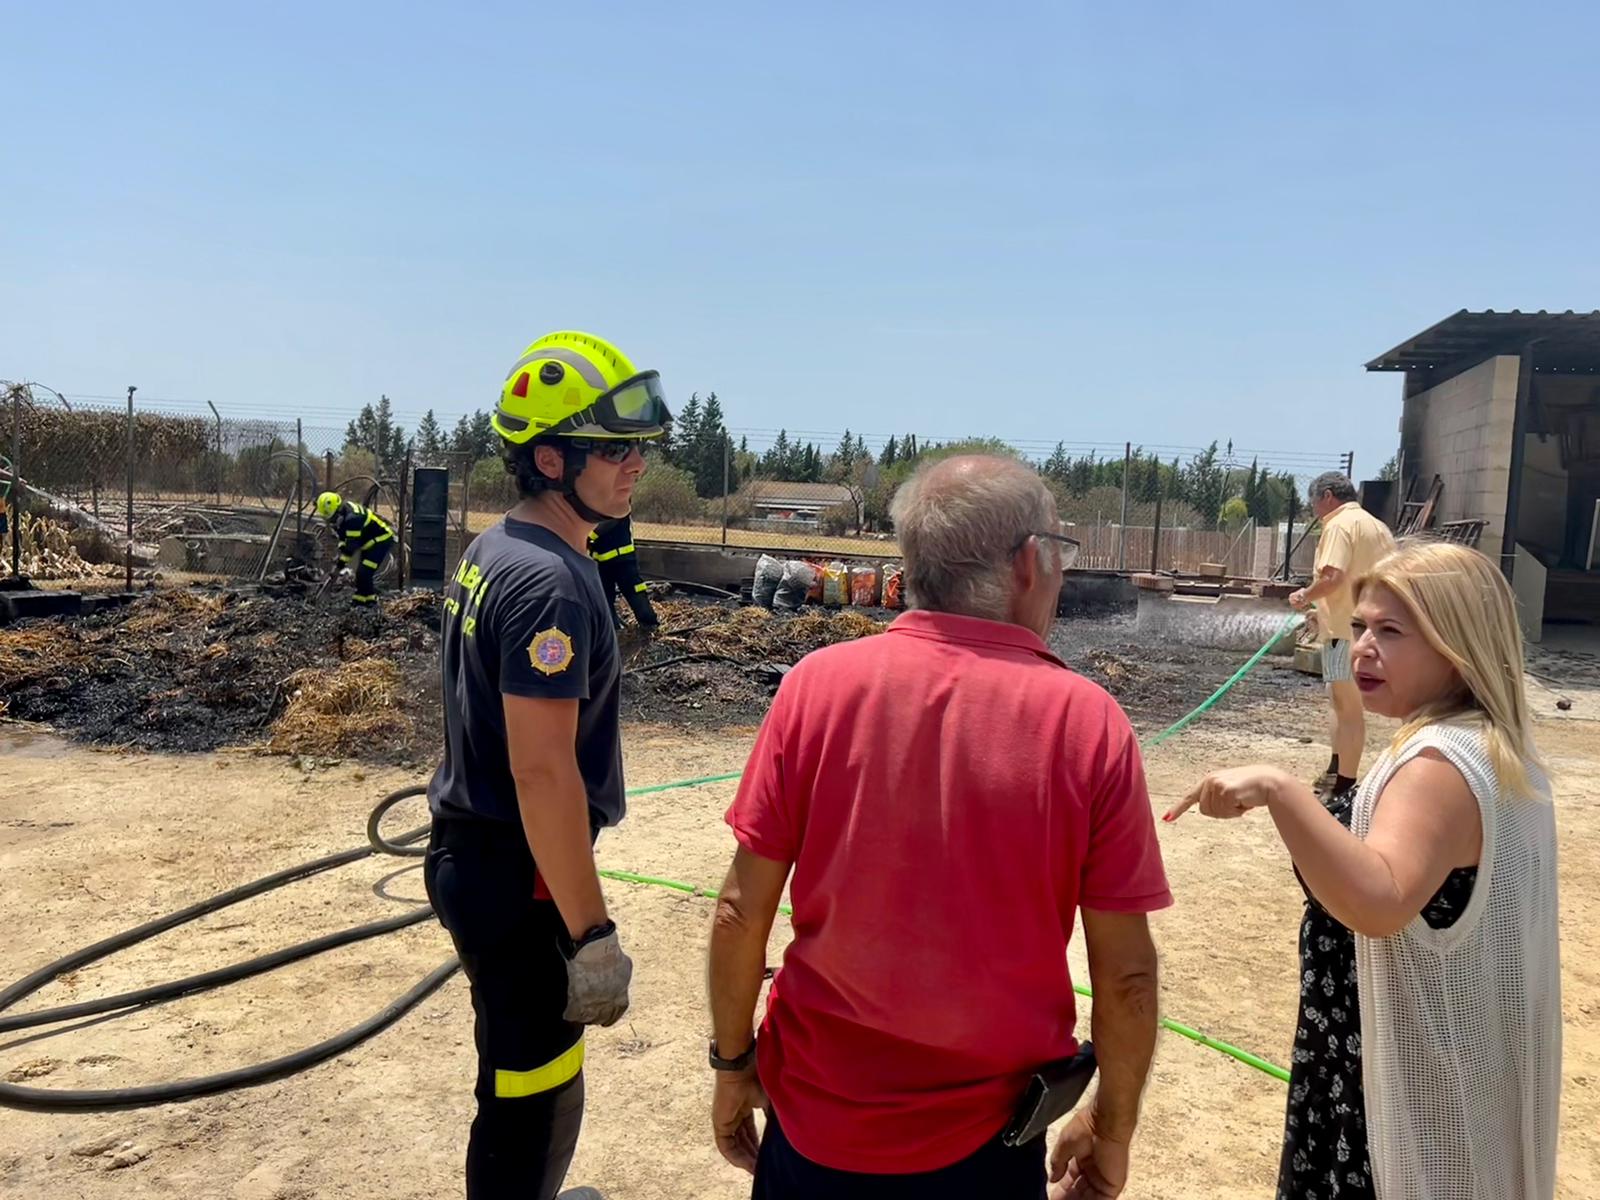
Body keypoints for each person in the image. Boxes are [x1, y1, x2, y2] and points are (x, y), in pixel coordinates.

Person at [707, 455, 1170, 1200]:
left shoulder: (814, 688)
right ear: (1028, 563)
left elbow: (739, 912)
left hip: (815, 1130)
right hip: (989, 1144)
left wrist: (732, 1068)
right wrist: (1111, 1128)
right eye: (1060, 553)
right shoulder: (1088, 725)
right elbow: (1127, 974)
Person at [1167, 540, 1561, 1200]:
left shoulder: (1435, 763)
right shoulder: (1492, 746)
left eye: (1392, 631)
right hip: (1432, 1055)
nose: (1364, 648)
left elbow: (1379, 900)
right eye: (1359, 628)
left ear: (1457, 645)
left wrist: (1279, 789)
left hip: (1382, 1077)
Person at [423, 330, 670, 1200]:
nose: (636, 464)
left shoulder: (503, 548)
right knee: (530, 1086)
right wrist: (592, 932)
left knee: (523, 1068)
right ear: (551, 457)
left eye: (638, 446)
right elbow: (543, 774)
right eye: (615, 449)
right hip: (513, 871)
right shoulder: (552, 584)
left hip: (483, 856)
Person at [1290, 472, 1394, 797]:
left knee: (1347, 707)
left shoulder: (1338, 526)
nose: (1314, 509)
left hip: (1342, 637)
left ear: (1328, 496)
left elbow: (1333, 577)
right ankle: (1336, 766)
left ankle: (1344, 788)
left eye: (1314, 502)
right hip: (1366, 631)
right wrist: (1317, 611)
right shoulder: (1378, 528)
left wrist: (1304, 595)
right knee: (1337, 700)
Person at [315, 490, 395, 605]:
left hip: (381, 540)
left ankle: (370, 604)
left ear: (337, 511)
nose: (330, 522)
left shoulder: (353, 519)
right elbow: (344, 538)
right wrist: (340, 552)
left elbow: (351, 548)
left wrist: (338, 566)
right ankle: (360, 600)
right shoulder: (342, 514)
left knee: (365, 572)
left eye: (331, 519)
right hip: (367, 541)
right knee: (361, 573)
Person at [588, 513, 658, 631]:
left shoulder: (617, 499)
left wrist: (590, 535)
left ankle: (649, 625)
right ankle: (613, 630)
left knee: (634, 590)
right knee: (604, 595)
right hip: (601, 561)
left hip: (622, 559)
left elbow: (612, 519)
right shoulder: (594, 500)